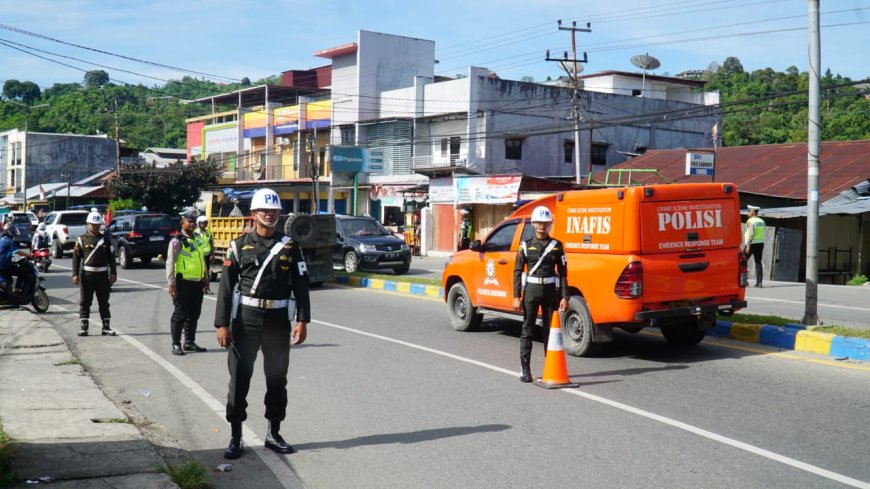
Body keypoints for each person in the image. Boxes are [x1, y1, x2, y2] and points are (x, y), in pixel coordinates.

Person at [214, 188, 310, 460]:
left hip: (278, 321)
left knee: (277, 379)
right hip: (246, 320)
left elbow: (301, 285)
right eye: (264, 211)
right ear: (254, 214)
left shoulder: (290, 246)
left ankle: (273, 432)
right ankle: (236, 435)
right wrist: (222, 324)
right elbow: (225, 287)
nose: (270, 215)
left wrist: (302, 320)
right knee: (239, 379)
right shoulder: (238, 245)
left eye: (275, 211)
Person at [512, 206, 568, 383]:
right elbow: (517, 271)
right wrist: (516, 296)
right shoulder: (525, 245)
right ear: (534, 223)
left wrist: (564, 297)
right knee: (527, 330)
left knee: (550, 331)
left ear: (550, 224)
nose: (542, 226)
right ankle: (525, 368)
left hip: (550, 292)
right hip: (531, 291)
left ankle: (550, 366)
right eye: (539, 222)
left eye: (545, 223)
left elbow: (564, 273)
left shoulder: (557, 246)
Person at [166, 209, 210, 355]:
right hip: (183, 283)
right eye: (189, 221)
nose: (192, 224)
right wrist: (171, 283)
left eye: (193, 222)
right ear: (182, 223)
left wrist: (205, 277)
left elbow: (201, 259)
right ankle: (176, 344)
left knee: (194, 314)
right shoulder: (176, 241)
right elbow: (170, 262)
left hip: (197, 282)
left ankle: (189, 343)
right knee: (180, 315)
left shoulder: (197, 238)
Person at [72, 211, 117, 336]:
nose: (95, 227)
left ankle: (106, 327)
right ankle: (84, 327)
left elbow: (111, 257)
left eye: (97, 225)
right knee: (85, 301)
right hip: (87, 275)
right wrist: (75, 274)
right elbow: (76, 258)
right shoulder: (81, 240)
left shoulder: (105, 240)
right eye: (93, 224)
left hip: (102, 275)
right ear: (88, 224)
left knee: (104, 301)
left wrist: (113, 273)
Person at [744, 205, 766, 288]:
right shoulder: (762, 221)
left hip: (752, 243)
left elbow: (751, 233)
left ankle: (744, 281)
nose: (748, 212)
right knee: (758, 262)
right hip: (760, 243)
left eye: (749, 211)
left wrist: (748, 245)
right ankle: (759, 283)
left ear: (752, 212)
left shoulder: (750, 221)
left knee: (742, 261)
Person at [194, 215, 214, 294]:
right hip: (199, 255)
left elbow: (211, 243)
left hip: (207, 255)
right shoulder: (195, 232)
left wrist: (213, 254)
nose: (204, 224)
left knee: (207, 273)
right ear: (199, 223)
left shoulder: (208, 232)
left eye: (206, 223)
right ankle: (199, 288)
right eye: (203, 223)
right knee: (200, 272)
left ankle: (206, 288)